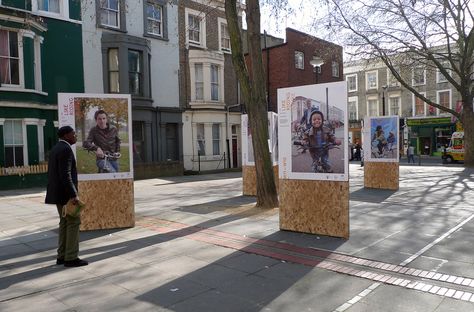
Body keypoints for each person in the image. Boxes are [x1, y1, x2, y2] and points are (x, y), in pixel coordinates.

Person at [45, 126, 88, 267]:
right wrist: (73, 195)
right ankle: (71, 257)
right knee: (74, 222)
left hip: (57, 194)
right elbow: (66, 175)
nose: (75, 136)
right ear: (66, 135)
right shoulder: (66, 149)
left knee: (64, 223)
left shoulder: (56, 148)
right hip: (66, 195)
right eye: (73, 134)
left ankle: (61, 256)